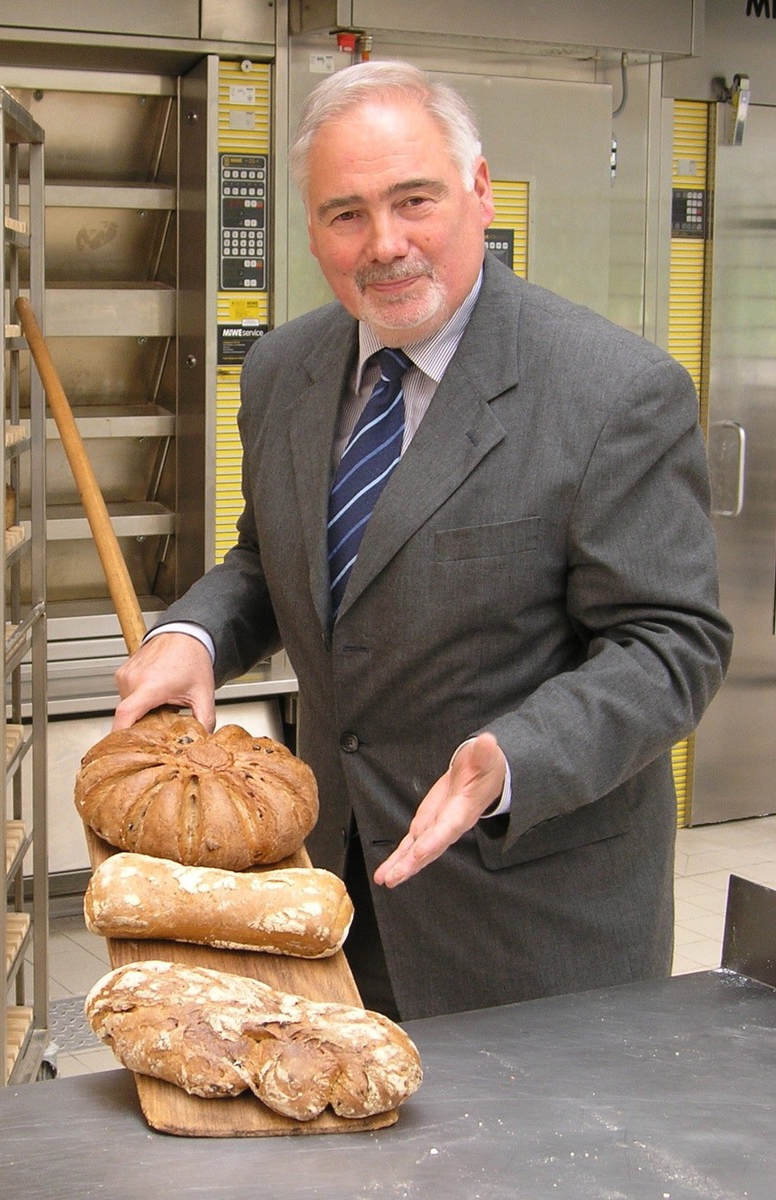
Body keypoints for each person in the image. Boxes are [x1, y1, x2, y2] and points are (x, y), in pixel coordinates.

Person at [112, 60, 733, 1021]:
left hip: (528, 919)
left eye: (414, 200)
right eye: (345, 213)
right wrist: (190, 635)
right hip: (329, 894)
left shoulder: (612, 392)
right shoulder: (285, 368)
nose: (385, 245)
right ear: (310, 228)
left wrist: (515, 756)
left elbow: (671, 645)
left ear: (479, 191)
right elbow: (271, 560)